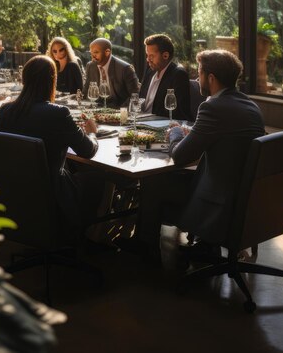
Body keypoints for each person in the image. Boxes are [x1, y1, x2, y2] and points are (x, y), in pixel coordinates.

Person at [122, 49, 265, 260]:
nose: (196, 79)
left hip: (219, 200)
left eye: (199, 74)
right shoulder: (250, 105)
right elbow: (226, 143)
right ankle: (207, 245)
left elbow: (180, 156)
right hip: (245, 195)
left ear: (211, 78)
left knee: (153, 181)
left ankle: (146, 247)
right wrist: (193, 135)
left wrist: (176, 133)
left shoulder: (213, 107)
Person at [0, 55, 102, 228]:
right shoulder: (58, 113)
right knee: (97, 178)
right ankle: (87, 236)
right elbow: (88, 151)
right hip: (51, 191)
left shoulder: (6, 110)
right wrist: (92, 133)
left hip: (14, 190)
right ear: (52, 80)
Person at [139, 34, 191, 121]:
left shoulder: (178, 75)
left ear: (165, 56)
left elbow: (176, 113)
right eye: (147, 55)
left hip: (162, 126)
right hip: (143, 123)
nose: (148, 59)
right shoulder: (150, 70)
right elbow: (140, 99)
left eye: (151, 56)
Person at [82, 37, 139, 108]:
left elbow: (135, 95)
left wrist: (120, 111)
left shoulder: (125, 68)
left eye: (96, 52)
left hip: (119, 110)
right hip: (97, 110)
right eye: (91, 53)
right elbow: (86, 92)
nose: (93, 56)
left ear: (107, 52)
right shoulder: (90, 66)